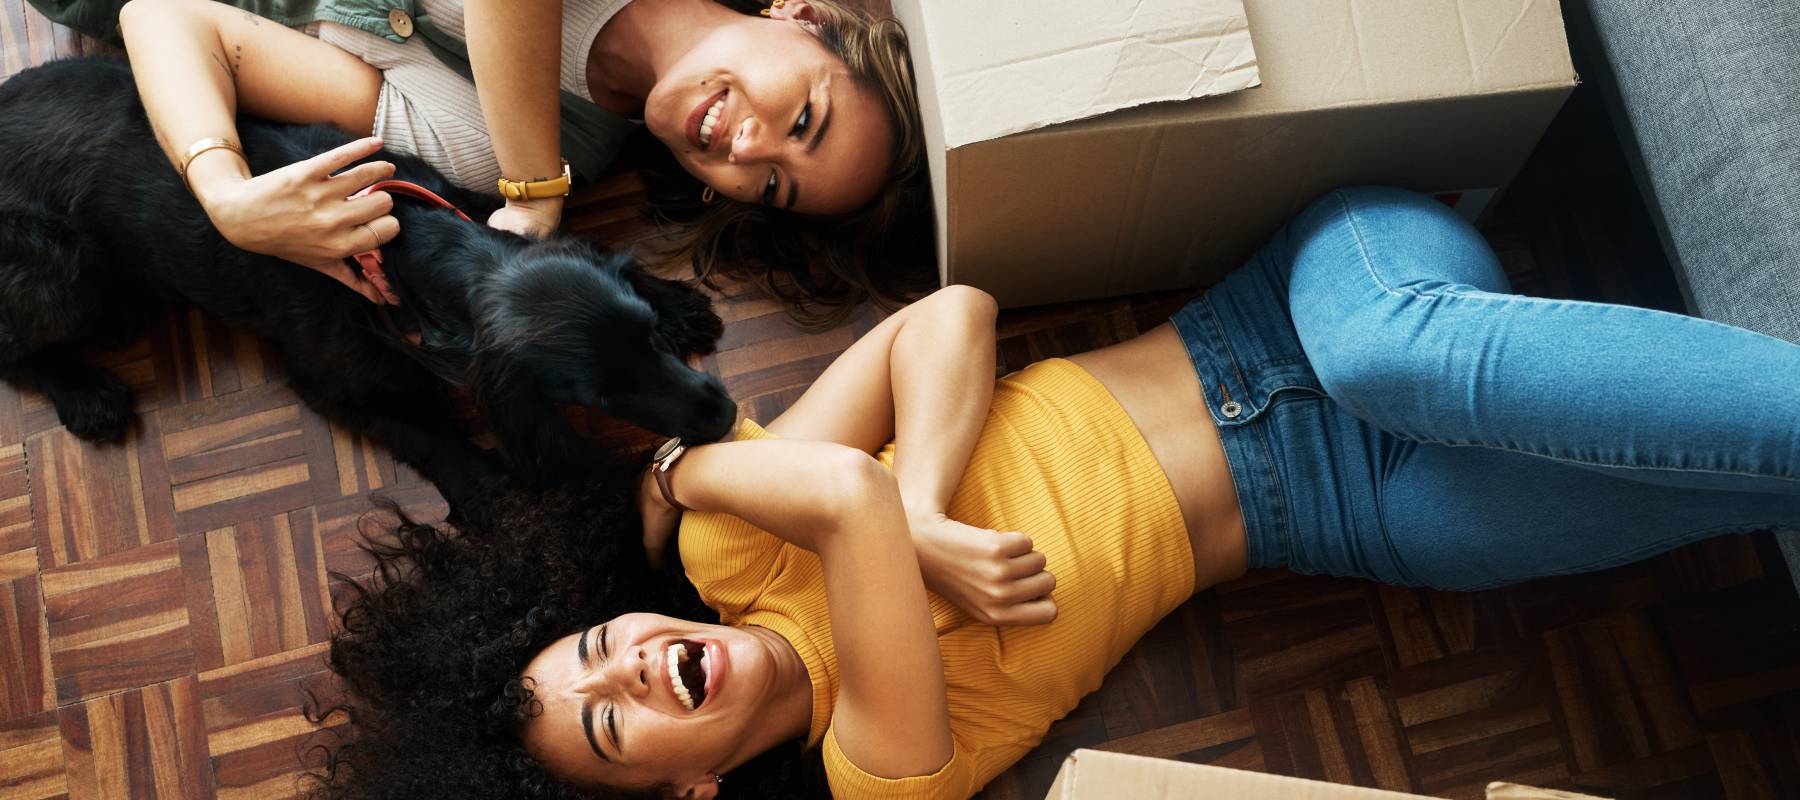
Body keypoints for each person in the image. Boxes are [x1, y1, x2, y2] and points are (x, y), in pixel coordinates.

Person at [312, 187, 1800, 799]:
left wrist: (932, 513)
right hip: (1344, 511)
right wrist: (821, 498)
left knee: (1395, 352)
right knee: (1730, 490)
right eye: (617, 722)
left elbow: (948, 319)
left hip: (1302, 314)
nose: (634, 664)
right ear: (685, 789)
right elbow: (841, 489)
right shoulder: (874, 777)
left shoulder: (725, 540)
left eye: (594, 653)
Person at [67, 0, 928, 315]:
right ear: (803, 15)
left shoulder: (485, 153)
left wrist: (227, 198)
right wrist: (534, 186)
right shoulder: (526, 171)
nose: (747, 148)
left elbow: (166, 18)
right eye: (803, 116)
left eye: (771, 185)